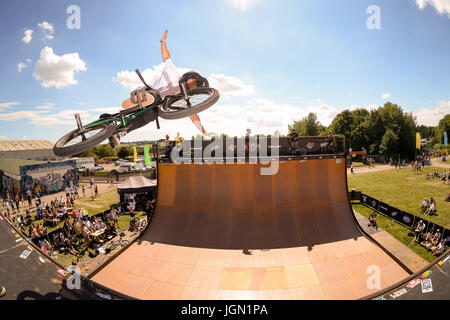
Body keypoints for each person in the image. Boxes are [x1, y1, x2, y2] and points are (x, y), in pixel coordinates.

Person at [109, 30, 209, 146]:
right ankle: (139, 99)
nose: (191, 85)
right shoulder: (174, 73)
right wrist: (163, 41)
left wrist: (203, 131)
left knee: (154, 114)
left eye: (193, 86)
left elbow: (193, 114)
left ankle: (120, 133)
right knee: (156, 96)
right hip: (145, 92)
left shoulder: (182, 98)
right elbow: (167, 57)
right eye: (192, 82)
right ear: (188, 77)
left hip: (151, 107)